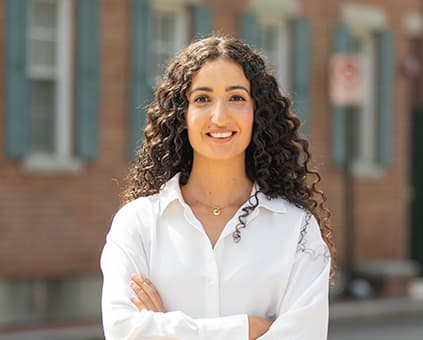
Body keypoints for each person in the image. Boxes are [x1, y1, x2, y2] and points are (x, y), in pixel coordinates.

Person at [100, 34, 335, 340]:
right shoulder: (139, 223)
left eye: (236, 98)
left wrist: (166, 329)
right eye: (202, 99)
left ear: (257, 113)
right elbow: (123, 331)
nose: (219, 117)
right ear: (181, 116)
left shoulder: (297, 229)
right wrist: (246, 329)